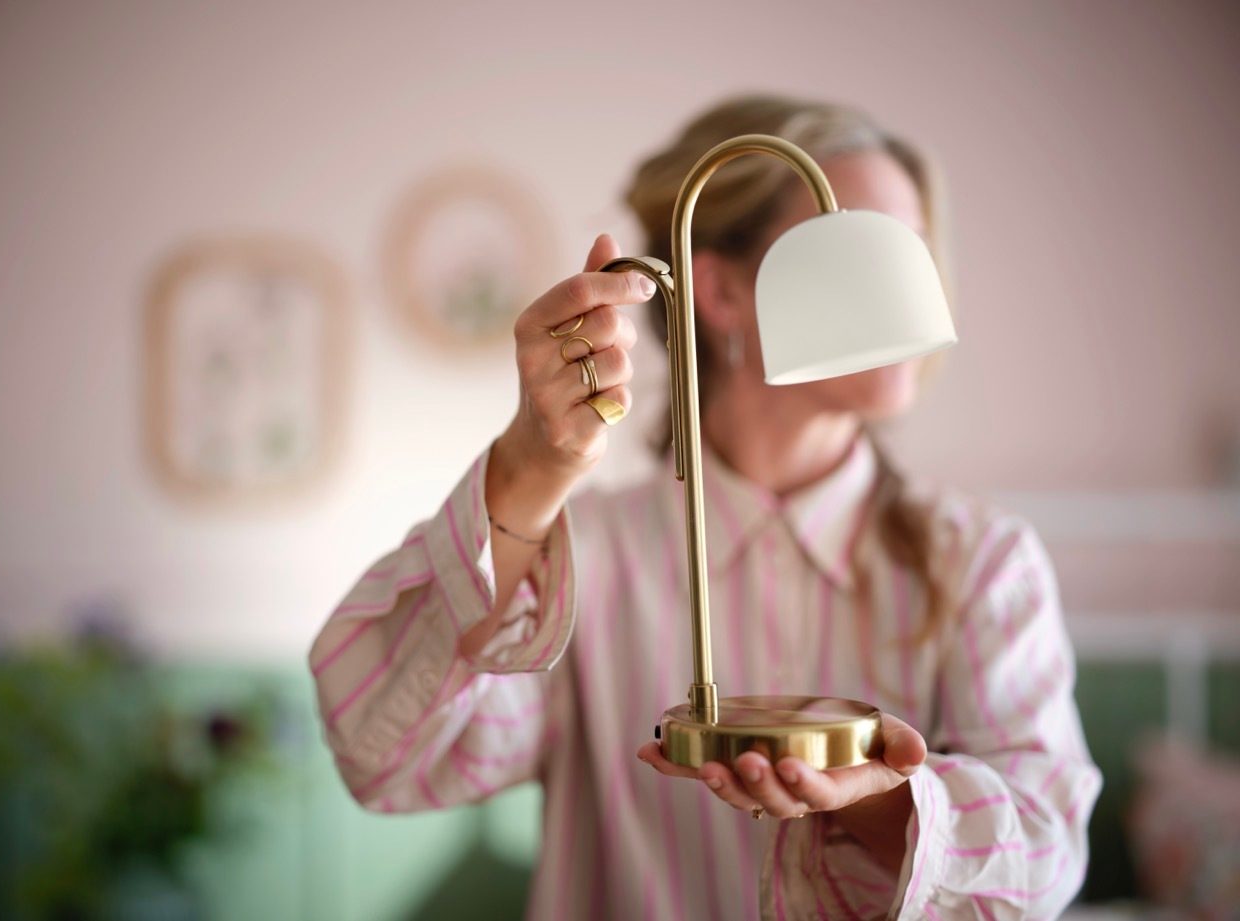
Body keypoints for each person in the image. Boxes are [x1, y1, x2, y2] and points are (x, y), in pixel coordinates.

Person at [308, 95, 1101, 920]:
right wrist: (529, 469)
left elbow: (1046, 852)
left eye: (911, 249)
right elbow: (382, 755)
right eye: (860, 244)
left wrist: (878, 804)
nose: (905, 281)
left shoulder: (978, 560)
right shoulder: (587, 558)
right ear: (718, 289)